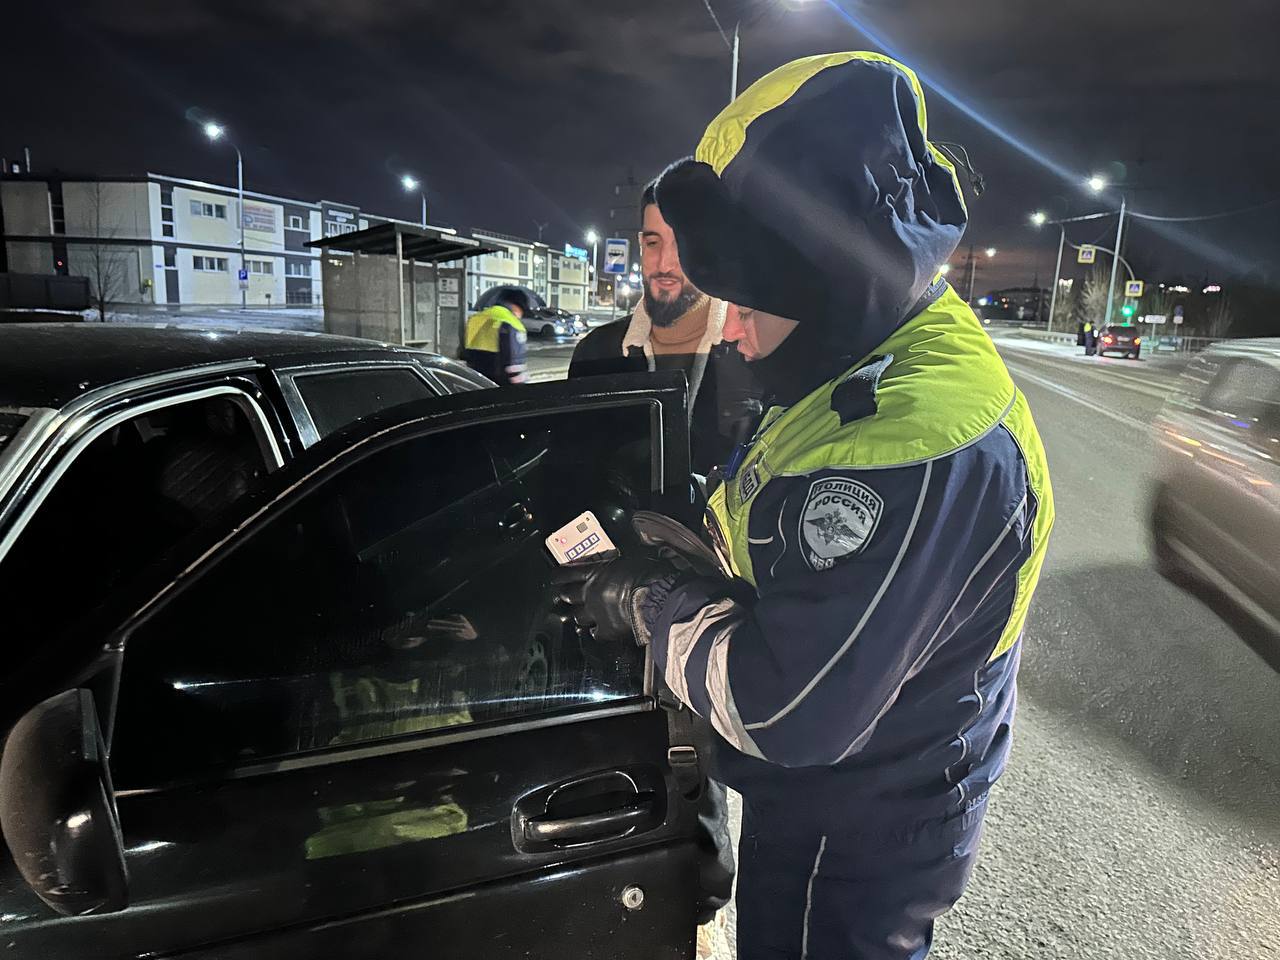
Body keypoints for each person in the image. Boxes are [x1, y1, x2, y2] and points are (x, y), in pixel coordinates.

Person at [562, 53, 1053, 959]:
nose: (736, 331)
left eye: (750, 303)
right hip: (852, 780)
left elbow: (784, 711)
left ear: (824, 277)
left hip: (863, 820)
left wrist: (650, 601)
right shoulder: (858, 343)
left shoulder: (909, 445)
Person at [569, 184, 760, 476]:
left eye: (682, 244)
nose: (664, 263)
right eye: (653, 243)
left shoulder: (755, 351)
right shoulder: (597, 352)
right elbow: (572, 466)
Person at [463, 288, 532, 385]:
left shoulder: (476, 318)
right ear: (518, 306)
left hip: (477, 379)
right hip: (500, 381)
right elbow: (515, 363)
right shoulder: (512, 323)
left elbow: (464, 350)